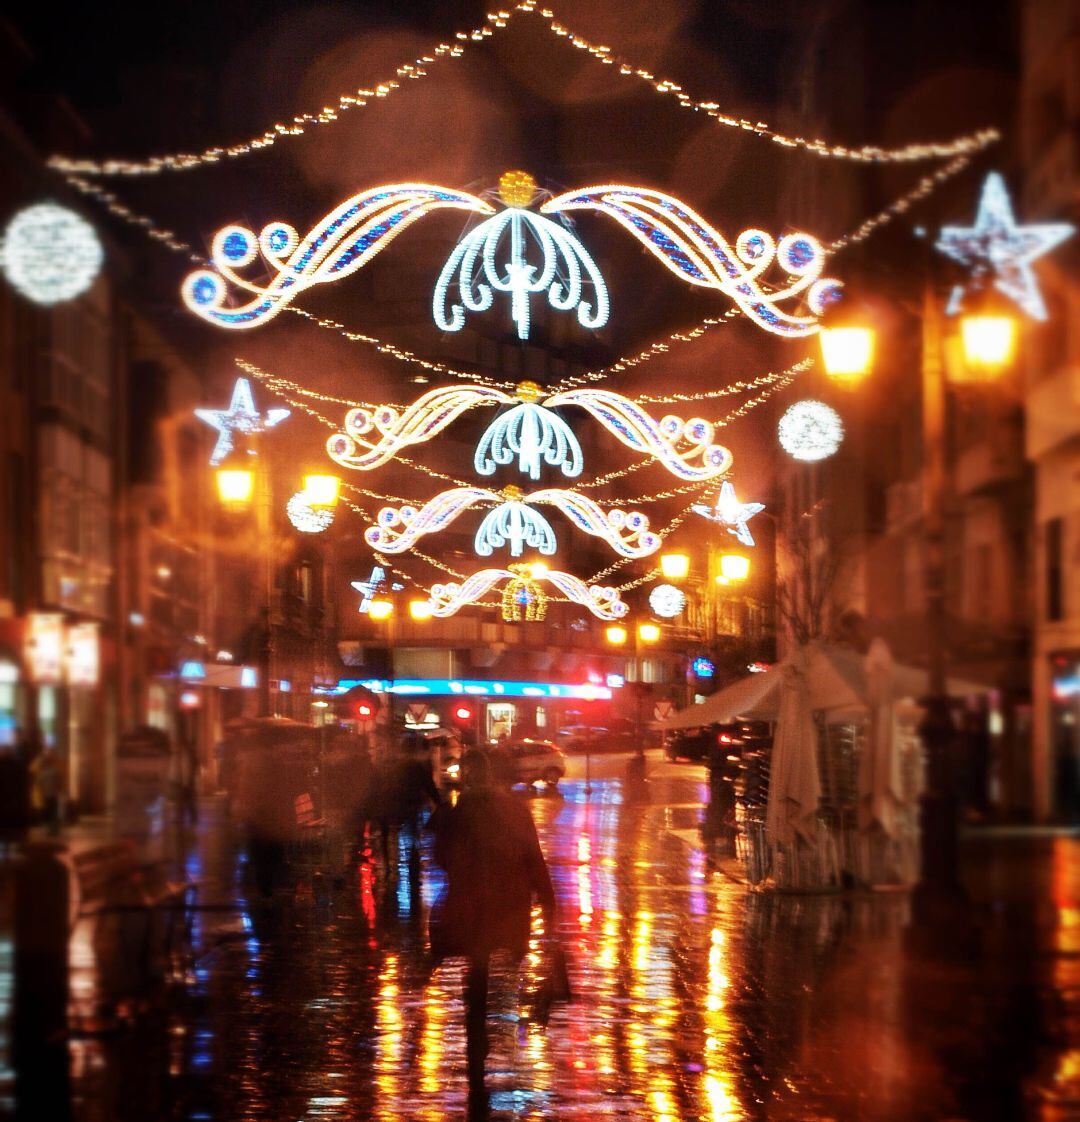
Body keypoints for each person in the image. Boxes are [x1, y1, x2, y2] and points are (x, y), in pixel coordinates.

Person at [428, 749, 556, 1109]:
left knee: (478, 967)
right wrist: (548, 904)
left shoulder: (459, 812)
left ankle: (477, 1037)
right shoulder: (515, 810)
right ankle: (500, 1032)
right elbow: (533, 857)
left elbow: (440, 855)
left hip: (471, 906)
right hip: (508, 905)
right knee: (504, 964)